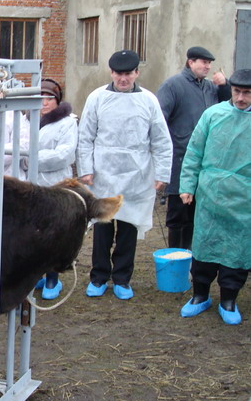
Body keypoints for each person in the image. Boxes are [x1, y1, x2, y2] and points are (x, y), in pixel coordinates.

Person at [77, 50, 172, 300]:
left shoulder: (149, 101)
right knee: (102, 227)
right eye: (119, 73)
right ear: (111, 73)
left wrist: (162, 173)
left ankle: (122, 278)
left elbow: (161, 140)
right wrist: (85, 169)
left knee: (128, 230)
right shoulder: (97, 98)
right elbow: (85, 136)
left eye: (128, 73)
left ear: (136, 73)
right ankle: (98, 276)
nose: (123, 78)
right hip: (104, 174)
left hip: (137, 175)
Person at [178, 69, 251, 325]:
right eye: (237, 91)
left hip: (244, 199)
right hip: (209, 193)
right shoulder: (213, 115)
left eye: (247, 93)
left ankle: (229, 299)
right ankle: (200, 295)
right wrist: (187, 185)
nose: (241, 98)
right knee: (204, 244)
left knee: (237, 249)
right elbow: (194, 151)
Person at [156, 46, 230, 250]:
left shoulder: (210, 88)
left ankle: (190, 256)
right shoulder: (173, 85)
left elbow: (229, 109)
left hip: (206, 161)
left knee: (196, 214)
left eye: (209, 63)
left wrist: (225, 86)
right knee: (178, 215)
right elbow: (159, 120)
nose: (207, 66)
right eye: (203, 62)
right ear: (190, 62)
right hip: (180, 159)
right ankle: (174, 257)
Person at [23, 79, 78, 299]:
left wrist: (30, 159)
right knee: (33, 233)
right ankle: (36, 274)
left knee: (55, 233)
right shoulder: (26, 119)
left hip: (56, 183)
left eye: (49, 98)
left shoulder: (67, 123)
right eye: (40, 98)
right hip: (31, 184)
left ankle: (53, 279)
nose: (44, 103)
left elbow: (64, 154)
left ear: (57, 100)